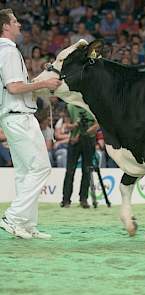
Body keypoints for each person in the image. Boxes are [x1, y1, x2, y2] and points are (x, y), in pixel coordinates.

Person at [0, 8, 62, 239]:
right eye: (15, 22)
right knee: (40, 168)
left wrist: (37, 81)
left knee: (25, 173)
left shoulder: (5, 51)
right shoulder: (8, 51)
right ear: (6, 26)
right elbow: (14, 87)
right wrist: (43, 85)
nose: (19, 25)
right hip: (19, 117)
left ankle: (25, 225)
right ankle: (13, 217)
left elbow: (16, 86)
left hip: (14, 116)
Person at [60, 104, 98, 209]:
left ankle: (83, 199)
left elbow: (98, 123)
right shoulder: (69, 107)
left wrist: (89, 130)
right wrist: (75, 125)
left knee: (87, 171)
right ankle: (66, 200)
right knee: (70, 171)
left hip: (89, 140)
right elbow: (67, 125)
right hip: (74, 141)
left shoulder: (91, 105)